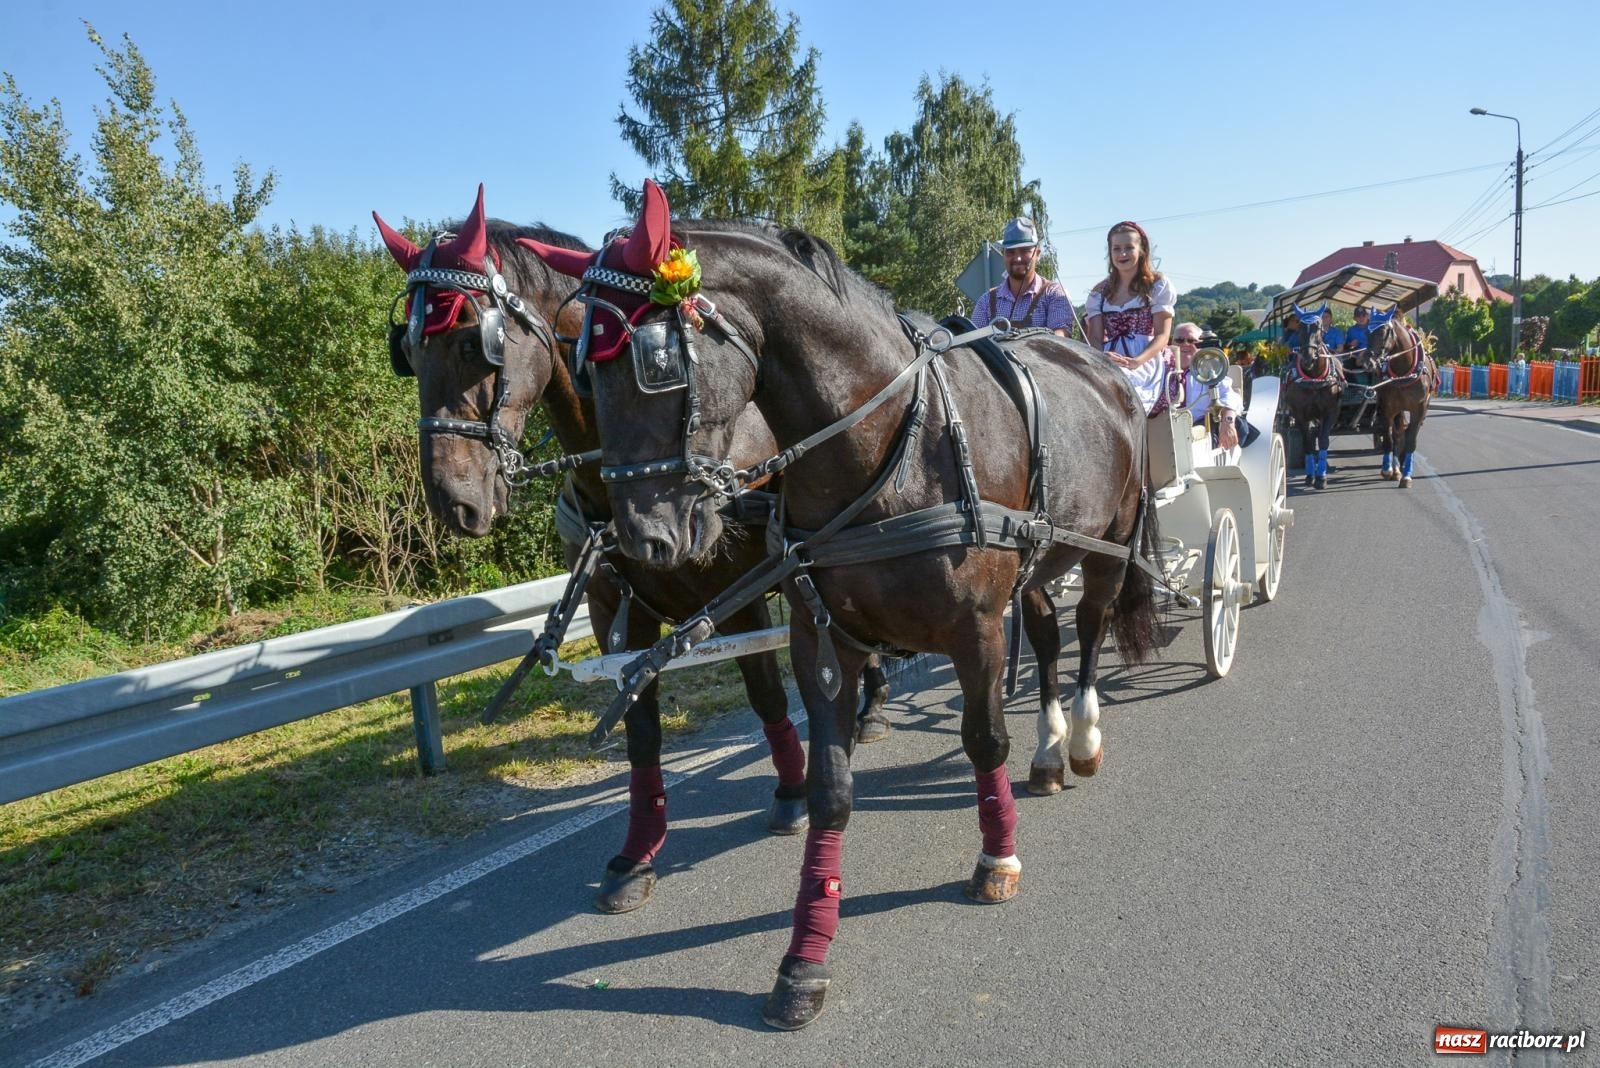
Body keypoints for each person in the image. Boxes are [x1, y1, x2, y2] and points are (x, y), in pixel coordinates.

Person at [1084, 220, 1174, 414]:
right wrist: (1102, 357)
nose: (1122, 254)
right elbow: (1095, 337)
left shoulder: (1157, 284)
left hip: (1146, 357)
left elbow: (1162, 336)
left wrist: (1137, 361)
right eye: (1116, 248)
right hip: (1110, 357)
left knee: (1123, 388)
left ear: (1141, 250)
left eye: (1128, 248)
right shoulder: (1100, 291)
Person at [970, 217, 1075, 337]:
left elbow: (1061, 339)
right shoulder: (986, 301)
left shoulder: (1054, 294)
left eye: (1025, 251)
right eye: (1010, 252)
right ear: (1003, 254)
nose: (1017, 258)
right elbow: (974, 346)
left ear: (1038, 254)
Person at [1169, 323, 1257, 449]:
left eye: (1191, 340)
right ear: (1172, 343)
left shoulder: (1209, 369)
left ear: (1200, 345)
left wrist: (1228, 421)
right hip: (1167, 429)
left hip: (1202, 431)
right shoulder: (1161, 370)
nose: (1185, 344)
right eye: (1179, 340)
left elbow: (1230, 396)